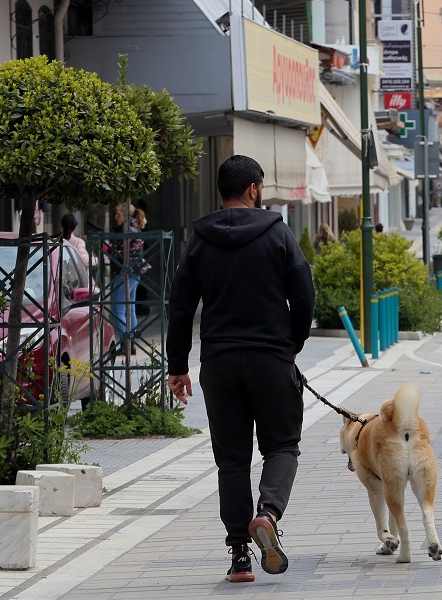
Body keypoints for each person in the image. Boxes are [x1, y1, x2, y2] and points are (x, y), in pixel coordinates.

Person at [166, 155, 315, 584]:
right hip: (270, 358)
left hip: (219, 363)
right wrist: (293, 343)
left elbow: (179, 308)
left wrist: (179, 367)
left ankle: (239, 556)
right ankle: (267, 513)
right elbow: (304, 294)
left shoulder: (198, 240)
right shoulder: (279, 234)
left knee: (232, 461)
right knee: (282, 446)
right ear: (253, 188)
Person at [107, 204, 148, 353]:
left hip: (125, 272)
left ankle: (127, 343)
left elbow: (117, 252)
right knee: (130, 309)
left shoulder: (126, 230)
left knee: (118, 309)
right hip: (135, 272)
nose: (115, 219)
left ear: (124, 216)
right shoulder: (136, 227)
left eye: (117, 215)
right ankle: (132, 341)